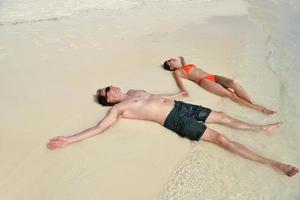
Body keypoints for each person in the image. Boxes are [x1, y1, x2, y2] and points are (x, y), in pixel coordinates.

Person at [47, 86, 298, 177]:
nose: (108, 89)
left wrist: (176, 95)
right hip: (173, 120)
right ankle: (274, 164)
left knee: (223, 117)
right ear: (110, 100)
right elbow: (99, 128)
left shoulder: (134, 91)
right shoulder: (119, 109)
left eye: (106, 88)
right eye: (106, 92)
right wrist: (69, 140)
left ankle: (261, 129)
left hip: (180, 106)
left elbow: (156, 97)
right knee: (221, 138)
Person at [162, 57, 276, 115]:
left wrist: (182, 59)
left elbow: (185, 64)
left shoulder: (185, 65)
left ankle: (253, 103)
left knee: (233, 83)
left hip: (212, 76)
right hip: (204, 82)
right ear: (171, 68)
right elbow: (179, 82)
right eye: (169, 62)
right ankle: (261, 110)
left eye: (171, 59)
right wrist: (183, 91)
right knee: (231, 95)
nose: (172, 60)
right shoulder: (177, 72)